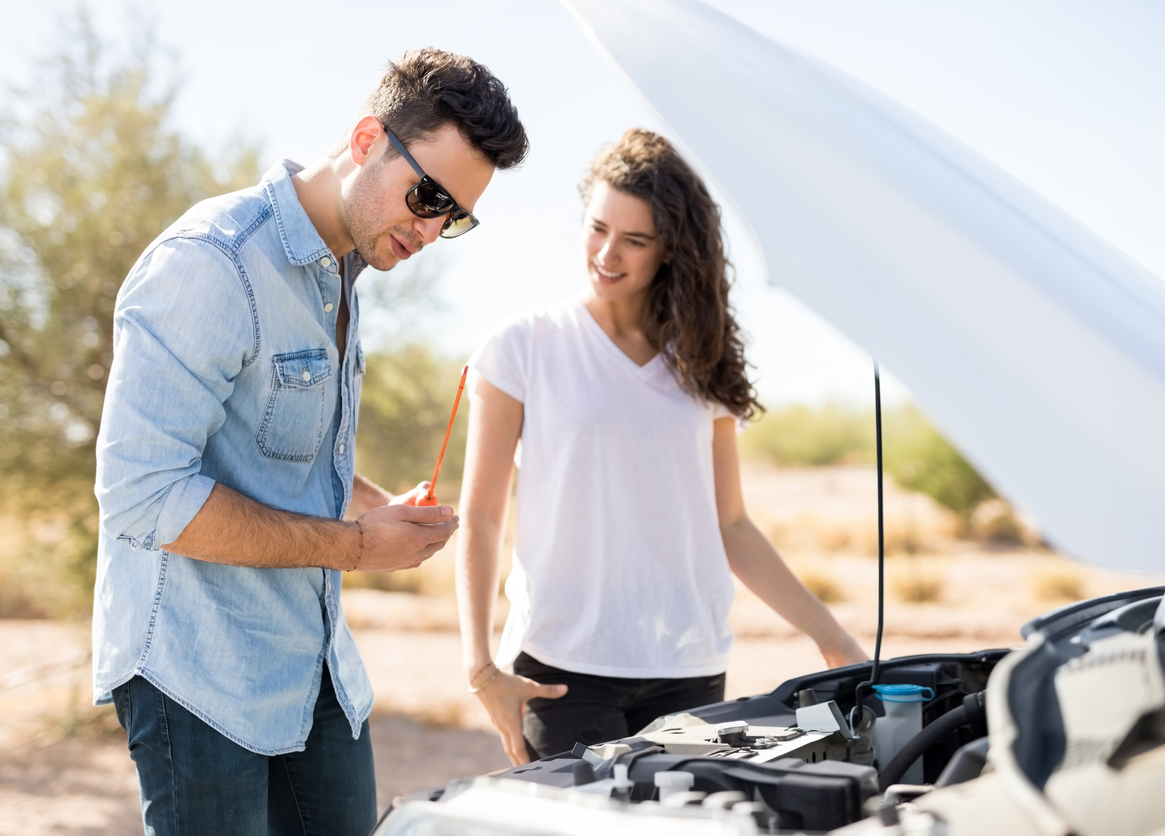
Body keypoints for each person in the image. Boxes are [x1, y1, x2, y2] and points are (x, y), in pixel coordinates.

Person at [92, 48, 528, 835]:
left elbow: (285, 450)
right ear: (366, 140)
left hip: (314, 670)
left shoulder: (344, 271)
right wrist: (359, 546)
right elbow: (143, 494)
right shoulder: (212, 262)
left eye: (453, 216)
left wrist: (377, 509)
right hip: (198, 674)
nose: (430, 229)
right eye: (426, 195)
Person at [456, 128, 868, 765]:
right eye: (597, 228)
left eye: (635, 240)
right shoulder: (522, 348)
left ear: (671, 249)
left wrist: (833, 638)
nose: (607, 253)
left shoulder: (701, 362)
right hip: (562, 672)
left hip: (690, 670)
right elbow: (482, 516)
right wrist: (481, 666)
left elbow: (730, 523)